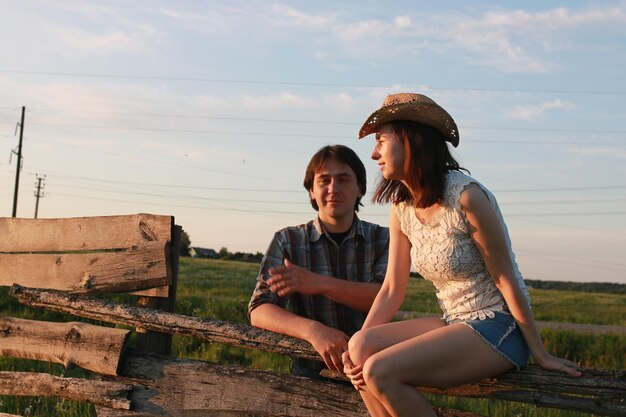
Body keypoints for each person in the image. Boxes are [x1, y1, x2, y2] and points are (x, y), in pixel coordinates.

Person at [342, 93, 581, 417]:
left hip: (498, 326)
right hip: (453, 322)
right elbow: (391, 289)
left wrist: (540, 353)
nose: (373, 154)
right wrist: (360, 340)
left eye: (381, 141)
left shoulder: (467, 198)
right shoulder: (402, 207)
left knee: (380, 370)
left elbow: (506, 278)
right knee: (359, 352)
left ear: (410, 139)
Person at [248, 144, 389, 378]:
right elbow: (259, 309)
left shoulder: (383, 239)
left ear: (360, 189)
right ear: (312, 191)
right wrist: (313, 331)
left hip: (372, 370)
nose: (333, 188)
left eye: (343, 179)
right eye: (324, 180)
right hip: (310, 371)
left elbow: (383, 297)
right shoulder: (288, 241)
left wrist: (318, 283)